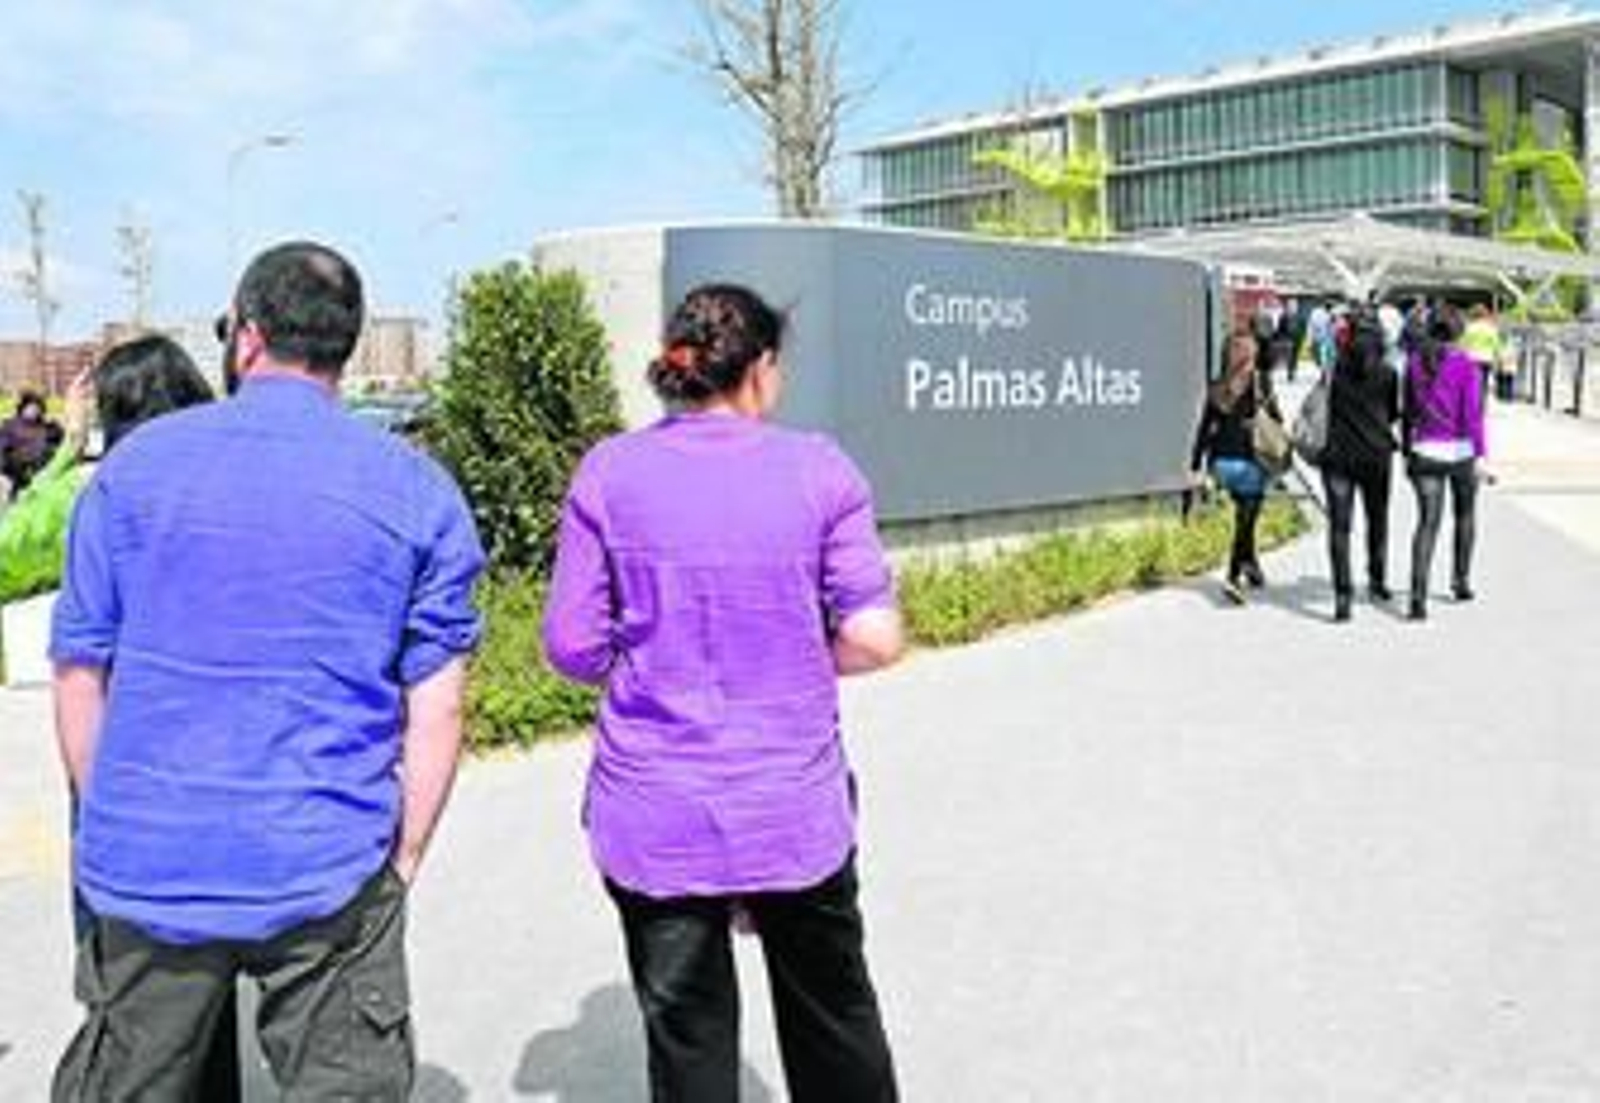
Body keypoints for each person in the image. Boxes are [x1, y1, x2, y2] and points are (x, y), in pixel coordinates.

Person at [50, 240, 486, 1100]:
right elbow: (436, 709)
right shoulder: (417, 489)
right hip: (328, 866)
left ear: (246, 337)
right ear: (345, 346)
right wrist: (402, 859)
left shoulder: (134, 469)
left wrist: (116, 817)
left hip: (149, 868)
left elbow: (78, 675)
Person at [543, 283, 904, 1103]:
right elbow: (876, 635)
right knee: (833, 1012)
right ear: (761, 368)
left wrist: (652, 655)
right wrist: (793, 650)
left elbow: (570, 644)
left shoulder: (610, 471)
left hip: (657, 811)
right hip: (794, 806)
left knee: (689, 1039)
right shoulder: (818, 468)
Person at [1403, 304, 1486, 621]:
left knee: (1427, 524)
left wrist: (1408, 449)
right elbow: (1472, 416)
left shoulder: (1414, 362)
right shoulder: (1466, 365)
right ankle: (1460, 581)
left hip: (1425, 451)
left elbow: (1408, 410)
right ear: (1459, 331)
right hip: (1461, 453)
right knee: (1464, 516)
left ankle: (1417, 599)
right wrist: (1480, 455)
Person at [1319, 310, 1401, 622]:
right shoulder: (1388, 373)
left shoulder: (1334, 370)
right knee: (1377, 520)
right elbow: (1393, 414)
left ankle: (1343, 597)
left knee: (1340, 528)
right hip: (1376, 456)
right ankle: (1377, 581)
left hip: (1338, 456)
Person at [1191, 327, 1276, 605]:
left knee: (1245, 515)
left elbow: (1204, 431)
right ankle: (1233, 575)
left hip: (1220, 465)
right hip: (1250, 464)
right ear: (1252, 354)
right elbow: (1277, 421)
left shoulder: (1216, 387)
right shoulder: (1261, 383)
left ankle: (1252, 568)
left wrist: (1197, 467)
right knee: (1246, 520)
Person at [0, 389, 65, 499]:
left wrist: (56, 428)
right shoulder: (10, 425)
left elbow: (62, 443)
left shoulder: (47, 428)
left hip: (43, 476)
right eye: (30, 406)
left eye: (37, 408)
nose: (33, 410)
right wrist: (15, 467)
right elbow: (3, 450)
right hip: (20, 475)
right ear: (23, 407)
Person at [1459, 302, 1502, 402]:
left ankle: (1472, 400)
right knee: (1484, 381)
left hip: (1471, 358)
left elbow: (1463, 344)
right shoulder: (1490, 328)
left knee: (1472, 382)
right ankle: (1481, 401)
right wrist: (1498, 357)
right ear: (1485, 315)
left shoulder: (1470, 328)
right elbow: (1496, 344)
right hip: (1486, 358)